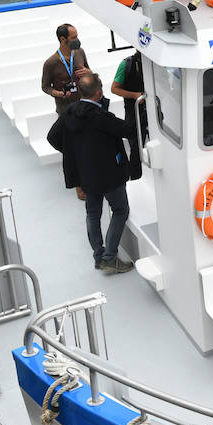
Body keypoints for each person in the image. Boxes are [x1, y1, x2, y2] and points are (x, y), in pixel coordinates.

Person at [46, 72, 134, 274]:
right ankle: (110, 257)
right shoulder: (101, 116)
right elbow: (127, 130)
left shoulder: (69, 112)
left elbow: (52, 137)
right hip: (110, 174)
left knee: (93, 214)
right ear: (98, 93)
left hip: (85, 175)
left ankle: (98, 256)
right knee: (120, 210)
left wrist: (74, 152)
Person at [110, 49, 147, 181]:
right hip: (134, 112)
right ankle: (135, 178)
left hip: (155, 111)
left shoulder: (156, 61)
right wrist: (134, 95)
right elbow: (114, 88)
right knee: (136, 148)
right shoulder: (127, 64)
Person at [42, 23, 89, 116]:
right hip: (65, 111)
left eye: (77, 36)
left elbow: (89, 72)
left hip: (84, 106)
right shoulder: (51, 62)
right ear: (63, 39)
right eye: (73, 38)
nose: (77, 40)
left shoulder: (80, 52)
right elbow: (45, 87)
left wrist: (89, 73)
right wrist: (57, 93)